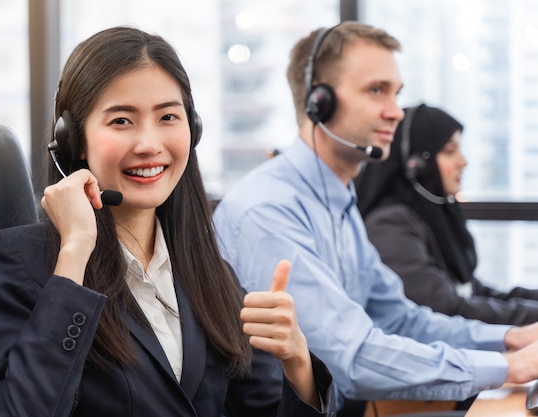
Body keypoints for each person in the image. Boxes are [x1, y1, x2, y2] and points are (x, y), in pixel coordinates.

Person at [0, 26, 335, 417]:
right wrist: (74, 253)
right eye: (122, 121)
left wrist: (297, 364)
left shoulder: (209, 274)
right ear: (74, 140)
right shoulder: (17, 263)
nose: (149, 144)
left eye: (168, 117)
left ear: (192, 131)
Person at [213, 20, 538, 414]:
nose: (395, 112)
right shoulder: (268, 210)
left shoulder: (339, 200)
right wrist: (508, 367)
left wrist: (511, 339)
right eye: (376, 91)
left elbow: (402, 319)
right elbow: (351, 358)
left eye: (396, 93)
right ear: (320, 102)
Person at [355, 103, 538, 325]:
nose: (463, 161)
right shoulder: (390, 226)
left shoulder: (428, 216)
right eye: (450, 151)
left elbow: (469, 290)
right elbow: (447, 308)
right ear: (418, 165)